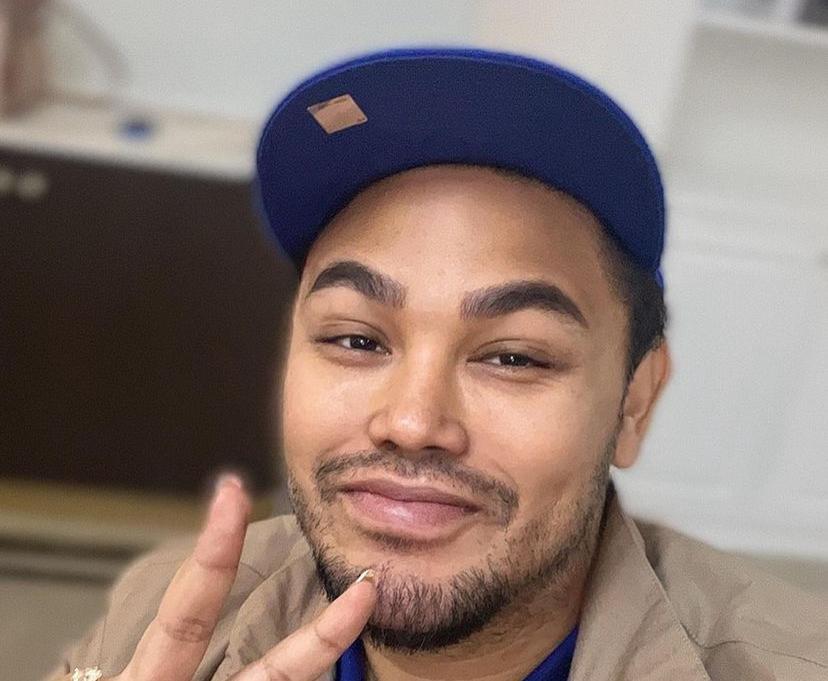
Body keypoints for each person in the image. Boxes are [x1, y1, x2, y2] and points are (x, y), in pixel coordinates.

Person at [53, 48, 827, 681]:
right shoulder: (158, 616)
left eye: (514, 355)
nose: (412, 421)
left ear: (634, 401)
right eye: (356, 340)